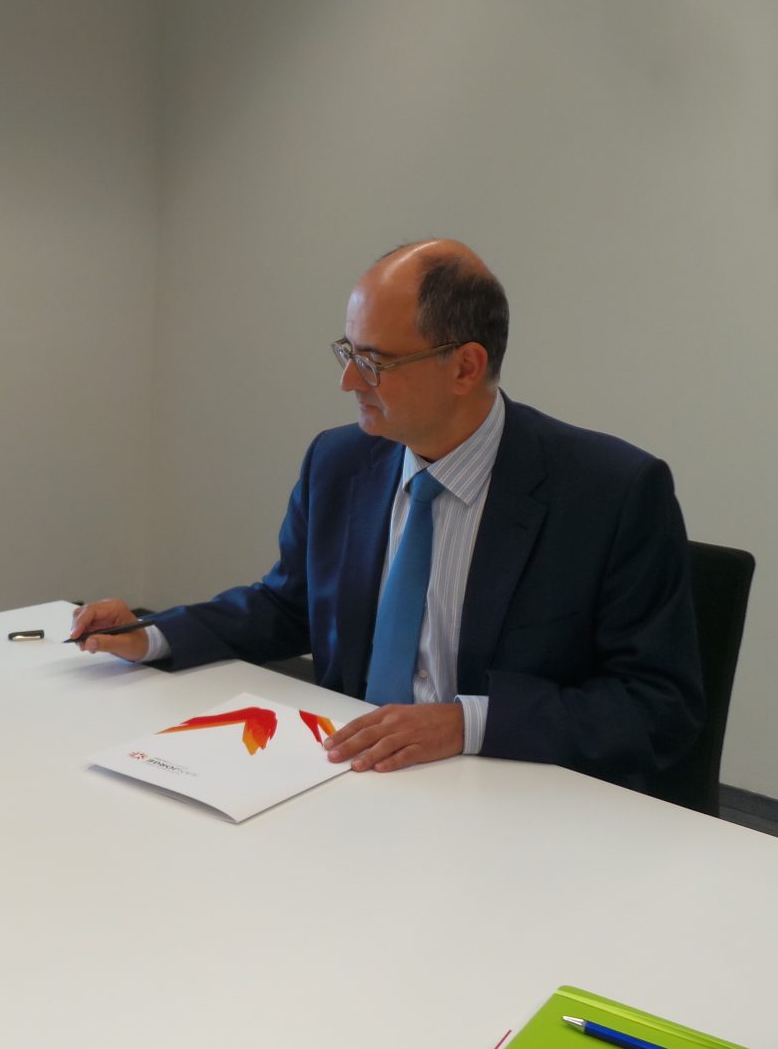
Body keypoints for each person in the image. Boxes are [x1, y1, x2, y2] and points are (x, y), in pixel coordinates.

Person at [72, 239, 702, 792]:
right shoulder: (340, 462)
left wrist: (469, 722)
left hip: (515, 803)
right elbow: (290, 605)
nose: (349, 380)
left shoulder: (610, 492)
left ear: (465, 366)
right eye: (347, 351)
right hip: (350, 779)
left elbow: (657, 706)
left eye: (375, 361)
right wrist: (155, 634)